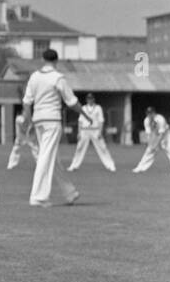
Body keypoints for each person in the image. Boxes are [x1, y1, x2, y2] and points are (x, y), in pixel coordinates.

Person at [22, 48, 81, 206]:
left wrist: (28, 120)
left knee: (51, 157)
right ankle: (38, 197)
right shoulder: (57, 77)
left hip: (38, 119)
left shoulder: (34, 76)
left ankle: (69, 192)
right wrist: (84, 114)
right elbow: (71, 101)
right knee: (46, 156)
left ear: (43, 59)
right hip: (52, 120)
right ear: (56, 60)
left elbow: (27, 101)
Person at [68, 94, 115, 172]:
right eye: (88, 99)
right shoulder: (83, 108)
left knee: (102, 148)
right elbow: (80, 121)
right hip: (84, 130)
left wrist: (100, 132)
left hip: (95, 130)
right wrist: (79, 132)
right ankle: (74, 166)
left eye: (91, 99)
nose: (90, 100)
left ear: (93, 99)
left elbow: (101, 121)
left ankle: (110, 165)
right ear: (86, 100)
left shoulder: (98, 108)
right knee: (79, 148)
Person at [133, 107, 170, 174]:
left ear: (154, 113)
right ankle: (140, 167)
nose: (149, 115)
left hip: (165, 135)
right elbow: (149, 134)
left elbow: (162, 134)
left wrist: (156, 144)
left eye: (151, 113)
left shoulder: (160, 119)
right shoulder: (146, 120)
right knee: (149, 151)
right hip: (155, 135)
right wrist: (151, 144)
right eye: (148, 113)